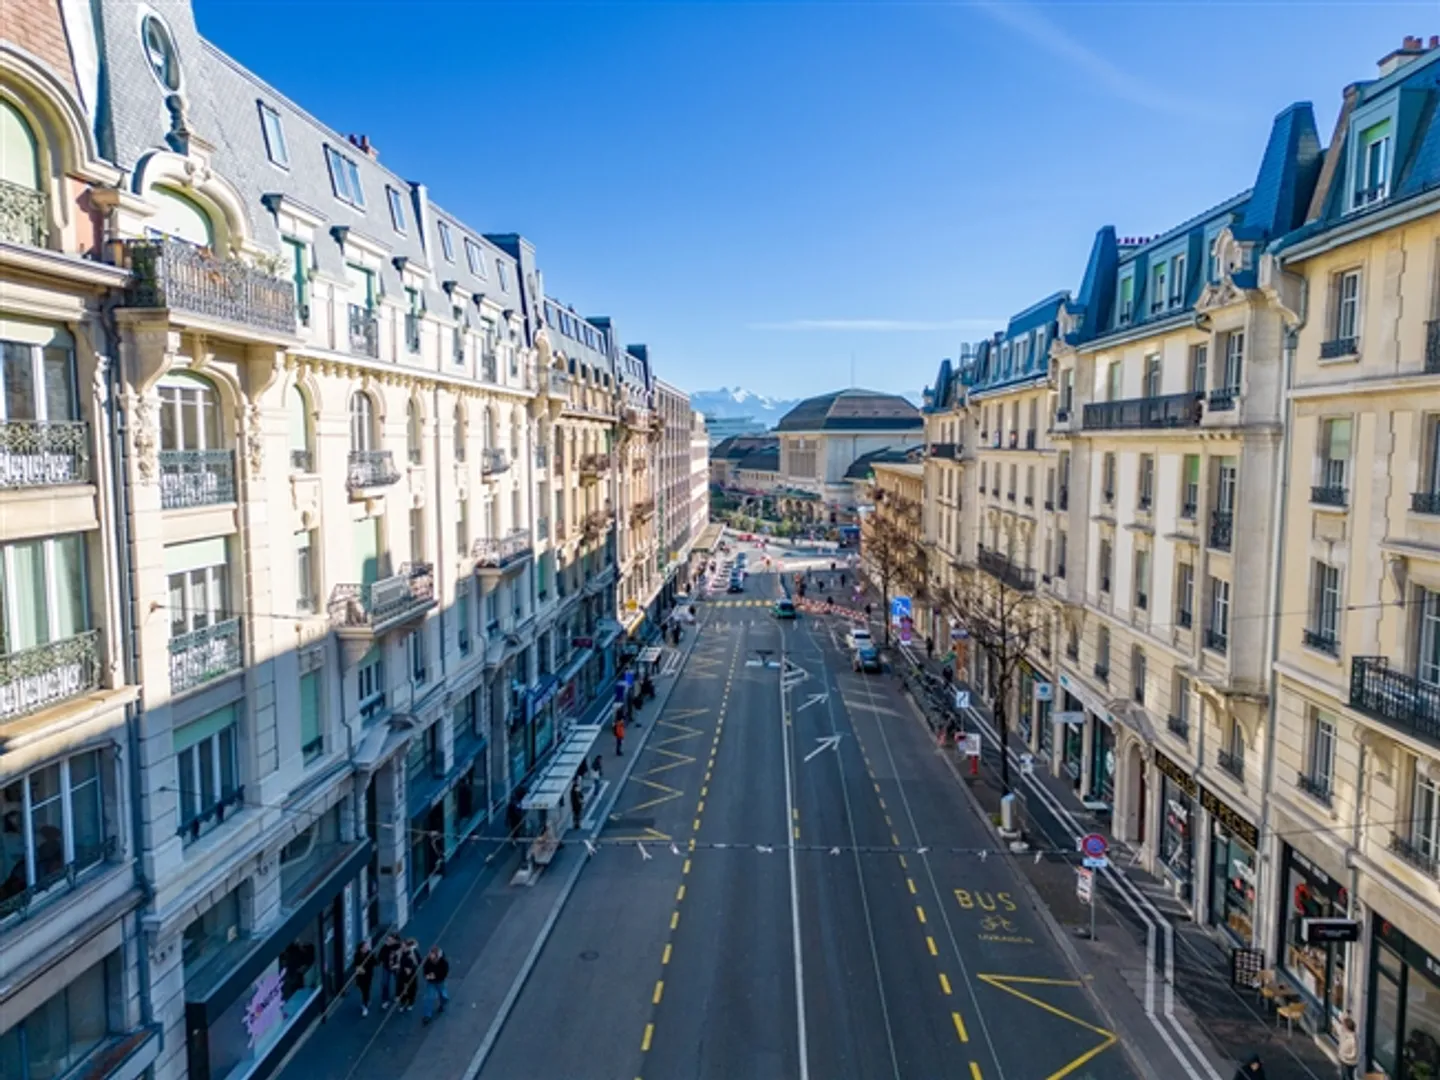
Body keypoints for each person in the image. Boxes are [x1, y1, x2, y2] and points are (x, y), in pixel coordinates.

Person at [420, 945, 450, 1025]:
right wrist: (427, 976)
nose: (430, 956)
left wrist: (435, 975)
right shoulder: (428, 961)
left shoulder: (443, 962)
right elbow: (425, 971)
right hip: (431, 982)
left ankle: (442, 1003)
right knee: (429, 997)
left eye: (432, 954)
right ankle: (427, 1015)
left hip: (440, 981)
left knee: (442, 995)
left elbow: (444, 973)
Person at [353, 939, 377, 1016]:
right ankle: (367, 1000)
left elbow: (375, 963)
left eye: (367, 946)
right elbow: (355, 963)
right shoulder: (357, 954)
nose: (367, 947)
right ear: (361, 948)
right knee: (362, 988)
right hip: (360, 975)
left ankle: (365, 1006)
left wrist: (365, 969)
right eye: (366, 946)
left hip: (367, 975)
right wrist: (357, 968)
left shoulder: (370, 954)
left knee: (365, 989)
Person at [378, 932, 401, 1008]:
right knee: (385, 983)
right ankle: (385, 1000)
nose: (388, 941)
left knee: (398, 981)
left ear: (395, 940)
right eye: (388, 939)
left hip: (396, 967)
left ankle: (398, 994)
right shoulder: (385, 947)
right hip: (387, 967)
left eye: (391, 940)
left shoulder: (399, 947)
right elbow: (380, 957)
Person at [398, 939, 421, 1012]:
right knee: (402, 989)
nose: (403, 948)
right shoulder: (400, 953)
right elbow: (398, 962)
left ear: (408, 947)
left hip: (411, 975)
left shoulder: (413, 952)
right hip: (402, 975)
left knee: (412, 990)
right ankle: (403, 1003)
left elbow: (418, 962)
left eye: (404, 947)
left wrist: (412, 965)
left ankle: (410, 1003)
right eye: (402, 946)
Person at [1336, 1015, 1359, 1079]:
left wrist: (1344, 1055)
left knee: (1348, 1076)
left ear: (1347, 1028)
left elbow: (1354, 1054)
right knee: (1343, 1076)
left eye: (1344, 1026)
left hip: (1349, 1063)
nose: (1342, 1027)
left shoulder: (1353, 1040)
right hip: (1343, 1060)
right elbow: (1338, 1027)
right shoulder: (1344, 1033)